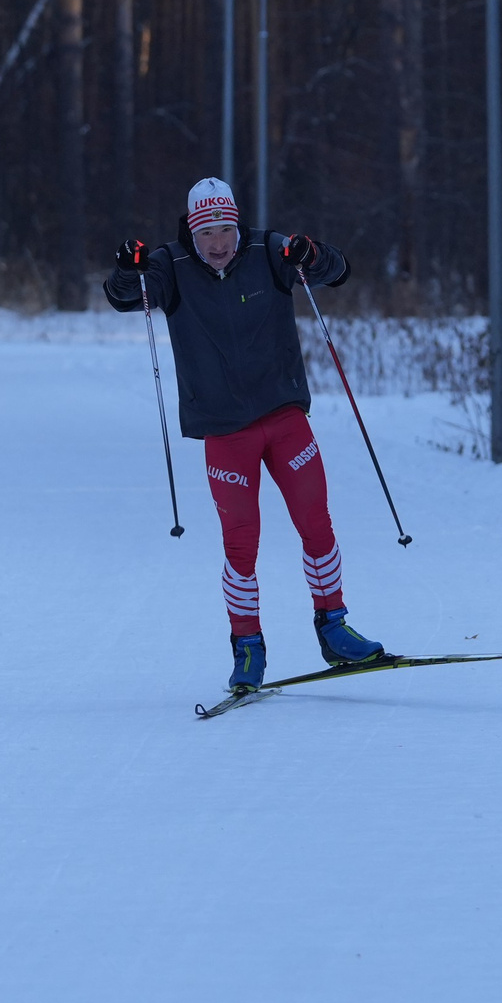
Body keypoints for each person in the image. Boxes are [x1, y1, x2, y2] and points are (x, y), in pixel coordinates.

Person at [106, 177, 384, 695]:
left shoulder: (268, 249)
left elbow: (336, 271)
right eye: (208, 231)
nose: (219, 242)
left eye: (227, 229)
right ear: (193, 231)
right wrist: (129, 268)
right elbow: (124, 298)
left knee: (315, 521)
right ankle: (248, 648)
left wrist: (312, 253)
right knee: (241, 543)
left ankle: (334, 626)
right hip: (224, 430)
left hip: (283, 417)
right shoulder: (169, 265)